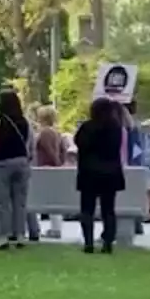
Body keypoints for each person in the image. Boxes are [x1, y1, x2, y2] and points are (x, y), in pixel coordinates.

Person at [74, 97, 125, 254]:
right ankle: (108, 242)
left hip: (89, 172)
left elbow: (79, 143)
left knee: (87, 209)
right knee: (108, 209)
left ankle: (88, 242)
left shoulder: (87, 127)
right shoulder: (116, 128)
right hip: (111, 172)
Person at [0, 89, 33, 249]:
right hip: (21, 162)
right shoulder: (24, 122)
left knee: (3, 203)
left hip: (1, 164)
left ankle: (4, 236)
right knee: (20, 202)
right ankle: (20, 235)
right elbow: (28, 142)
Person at [34, 105, 67, 239]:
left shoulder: (45, 133)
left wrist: (55, 162)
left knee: (45, 199)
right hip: (55, 167)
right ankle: (56, 227)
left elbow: (49, 150)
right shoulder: (57, 133)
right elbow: (63, 150)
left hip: (46, 168)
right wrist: (61, 162)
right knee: (55, 199)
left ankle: (54, 229)